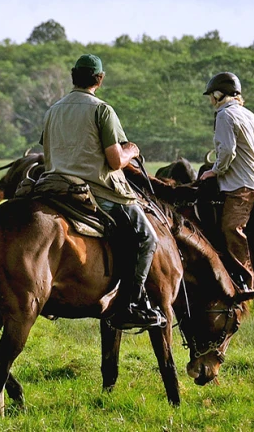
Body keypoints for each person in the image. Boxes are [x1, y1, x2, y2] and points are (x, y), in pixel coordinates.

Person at [40, 54, 165, 330]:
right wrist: (132, 150)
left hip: (55, 186)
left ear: (73, 76)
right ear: (100, 79)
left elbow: (47, 152)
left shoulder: (53, 110)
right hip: (98, 191)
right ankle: (131, 304)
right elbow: (115, 160)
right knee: (147, 238)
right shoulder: (102, 110)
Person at [197, 72, 254, 299]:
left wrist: (215, 170)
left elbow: (228, 151)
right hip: (250, 181)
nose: (210, 99)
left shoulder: (224, 115)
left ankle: (245, 280)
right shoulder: (249, 115)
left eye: (211, 95)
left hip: (238, 185)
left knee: (231, 228)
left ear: (218, 94)